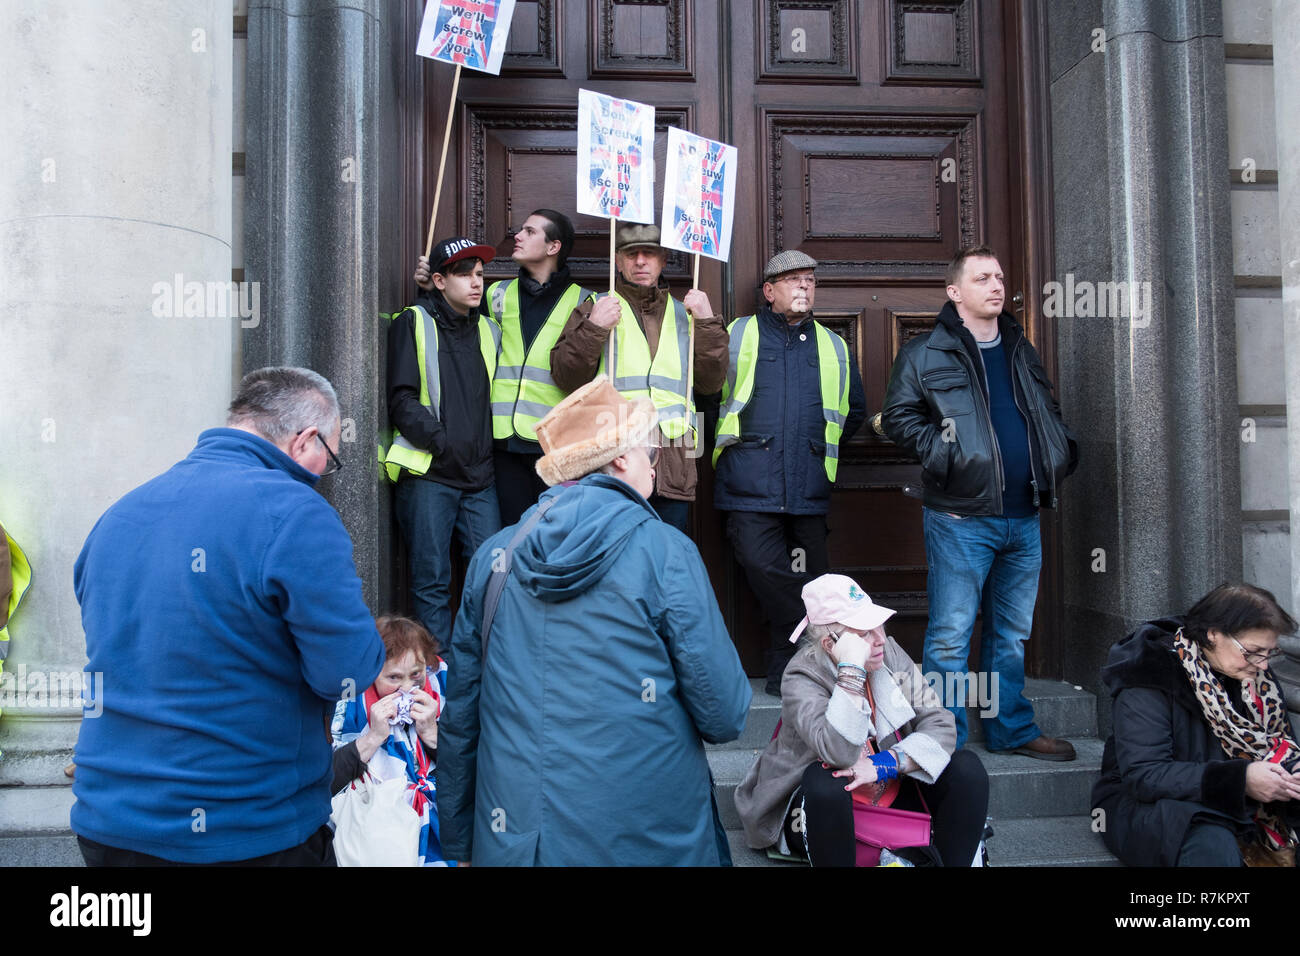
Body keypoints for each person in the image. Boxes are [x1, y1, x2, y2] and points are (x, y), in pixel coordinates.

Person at [72, 367, 386, 865]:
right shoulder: (295, 511)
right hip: (245, 827)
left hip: (109, 824)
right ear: (307, 439)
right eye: (329, 459)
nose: (324, 473)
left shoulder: (119, 514)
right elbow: (346, 672)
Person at [437, 378, 752, 866]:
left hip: (521, 842)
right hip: (650, 839)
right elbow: (725, 714)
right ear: (620, 459)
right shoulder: (666, 550)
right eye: (650, 447)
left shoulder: (494, 556)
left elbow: (462, 717)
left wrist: (458, 843)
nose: (656, 459)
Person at [881, 244, 1078, 758]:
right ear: (955, 292)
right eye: (983, 278)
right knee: (950, 636)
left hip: (1025, 514)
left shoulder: (1020, 347)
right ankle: (945, 739)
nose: (996, 285)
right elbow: (899, 418)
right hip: (959, 516)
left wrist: (1058, 450)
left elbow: (1044, 409)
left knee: (1011, 635)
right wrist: (944, 451)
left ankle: (1010, 728)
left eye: (999, 276)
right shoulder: (926, 353)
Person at [734, 574, 989, 866]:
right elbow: (839, 753)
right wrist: (851, 671)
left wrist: (883, 765)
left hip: (887, 788)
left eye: (877, 623)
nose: (880, 638)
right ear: (832, 644)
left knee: (966, 768)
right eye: (864, 632)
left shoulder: (890, 654)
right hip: (820, 808)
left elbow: (941, 724)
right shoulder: (801, 676)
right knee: (826, 780)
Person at [713, 250, 867, 696]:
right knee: (763, 566)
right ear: (769, 290)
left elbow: (852, 410)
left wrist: (816, 448)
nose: (804, 287)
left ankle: (790, 665)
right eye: (793, 280)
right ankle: (806, 643)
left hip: (810, 481)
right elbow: (708, 391)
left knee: (816, 578)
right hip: (748, 480)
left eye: (810, 281)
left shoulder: (833, 344)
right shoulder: (738, 333)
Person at [1092, 583, 1300, 866]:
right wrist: (1241, 780)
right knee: (1210, 843)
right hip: (1153, 803)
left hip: (1240, 797)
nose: (1263, 665)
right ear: (1213, 634)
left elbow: (1280, 745)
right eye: (1253, 651)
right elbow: (1145, 775)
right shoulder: (1150, 673)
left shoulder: (1253, 674)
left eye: (1269, 653)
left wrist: (1290, 773)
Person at [551, 222, 728, 534]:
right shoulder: (596, 307)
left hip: (675, 459)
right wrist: (594, 327)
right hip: (615, 458)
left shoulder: (687, 312)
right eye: (632, 255)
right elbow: (566, 377)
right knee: (613, 555)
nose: (641, 261)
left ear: (663, 260)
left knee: (665, 558)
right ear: (618, 261)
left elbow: (710, 384)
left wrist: (707, 322)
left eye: (650, 254)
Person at [386, 236, 503, 643]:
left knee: (490, 580)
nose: (476, 282)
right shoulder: (412, 321)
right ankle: (438, 679)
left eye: (480, 274)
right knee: (431, 583)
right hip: (430, 474)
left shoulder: (489, 329)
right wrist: (441, 442)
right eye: (464, 274)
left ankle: (479, 670)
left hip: (480, 479)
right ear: (438, 280)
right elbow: (401, 399)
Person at [483, 209, 594, 526]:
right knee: (511, 542)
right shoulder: (496, 294)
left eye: (529, 231)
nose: (517, 236)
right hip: (501, 445)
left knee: (553, 538)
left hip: (555, 447)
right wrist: (429, 284)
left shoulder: (586, 303)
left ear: (553, 247)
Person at [331, 614, 453, 866]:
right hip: (378, 834)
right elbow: (327, 779)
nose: (407, 688)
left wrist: (432, 733)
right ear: (372, 672)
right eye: (394, 678)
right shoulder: (348, 699)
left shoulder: (442, 685)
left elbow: (470, 774)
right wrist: (374, 737)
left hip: (441, 834)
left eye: (415, 674)